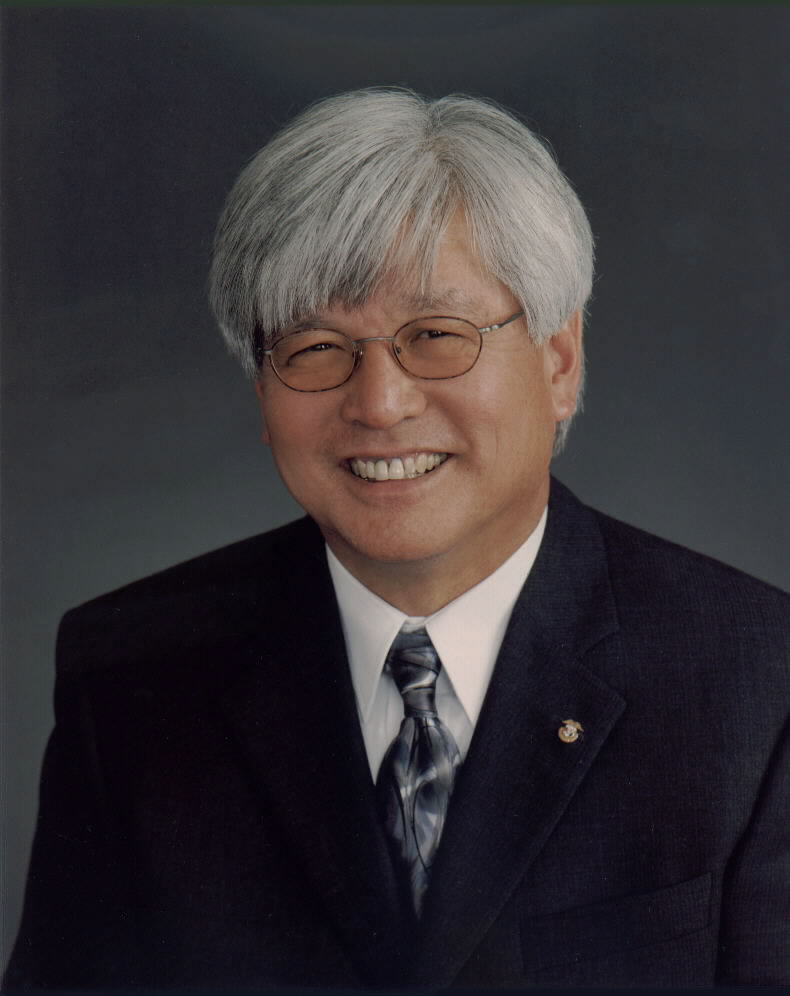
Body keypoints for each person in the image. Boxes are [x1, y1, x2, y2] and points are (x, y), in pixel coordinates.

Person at [5, 88, 789, 989]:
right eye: (315, 347)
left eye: (436, 335)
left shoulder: (757, 684)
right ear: (262, 392)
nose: (378, 404)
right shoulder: (132, 677)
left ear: (558, 363)